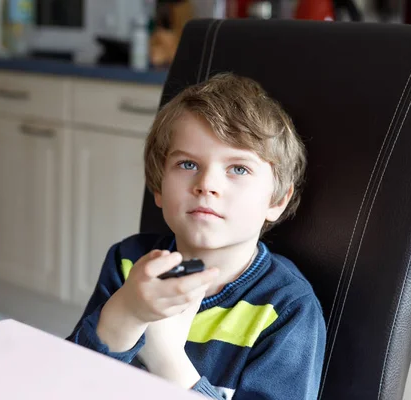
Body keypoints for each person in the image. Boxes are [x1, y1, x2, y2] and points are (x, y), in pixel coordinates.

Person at [66, 72, 326, 399]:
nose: (207, 184)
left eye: (239, 169)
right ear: (158, 188)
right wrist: (126, 313)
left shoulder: (286, 308)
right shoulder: (129, 262)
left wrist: (168, 362)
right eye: (188, 164)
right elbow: (71, 382)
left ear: (276, 200)